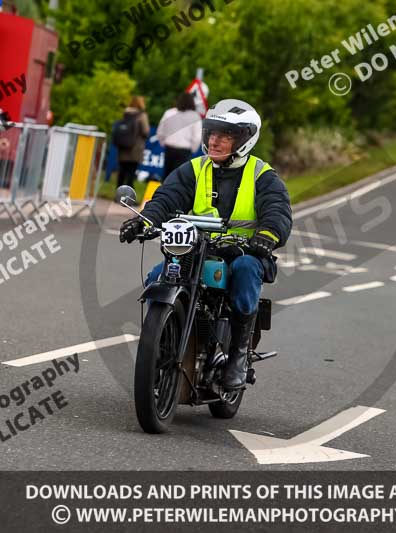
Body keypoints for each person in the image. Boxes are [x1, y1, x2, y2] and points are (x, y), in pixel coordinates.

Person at [119, 99, 292, 391]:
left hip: (244, 252)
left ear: (244, 140)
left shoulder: (262, 175)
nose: (215, 140)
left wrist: (267, 235)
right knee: (156, 276)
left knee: (247, 270)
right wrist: (144, 221)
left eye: (225, 135)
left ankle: (237, 354)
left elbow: (278, 211)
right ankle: (160, 345)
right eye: (212, 132)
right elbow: (166, 198)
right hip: (197, 249)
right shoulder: (194, 169)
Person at [156, 92, 202, 177]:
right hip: (184, 151)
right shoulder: (195, 116)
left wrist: (164, 143)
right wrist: (193, 149)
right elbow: (197, 137)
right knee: (180, 178)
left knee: (167, 175)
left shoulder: (169, 113)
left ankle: (164, 190)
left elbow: (160, 131)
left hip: (170, 148)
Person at [112, 96, 150, 188]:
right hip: (135, 148)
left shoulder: (125, 113)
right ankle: (129, 196)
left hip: (123, 147)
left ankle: (118, 194)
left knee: (122, 172)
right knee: (131, 173)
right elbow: (146, 131)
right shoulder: (141, 115)